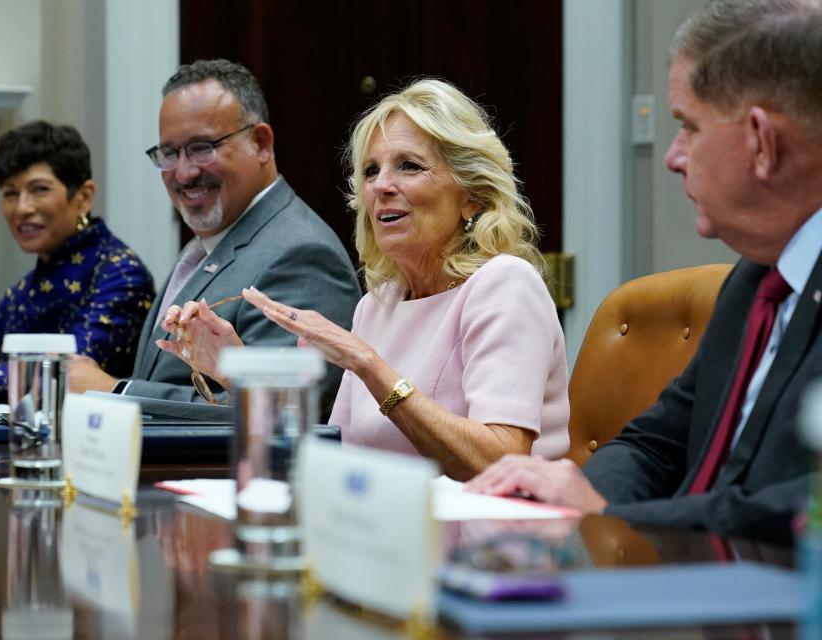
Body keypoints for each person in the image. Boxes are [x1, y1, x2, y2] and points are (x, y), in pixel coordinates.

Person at [468, 0, 822, 543]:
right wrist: (574, 493)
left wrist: (614, 517)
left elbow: (803, 507)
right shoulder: (754, 284)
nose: (673, 156)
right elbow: (652, 444)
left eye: (688, 126)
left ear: (761, 142)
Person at [160, 78, 570, 480]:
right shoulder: (377, 305)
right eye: (371, 172)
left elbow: (499, 461)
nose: (381, 187)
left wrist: (367, 364)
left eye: (409, 166)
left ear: (472, 195)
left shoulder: (505, 285)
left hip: (494, 540)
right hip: (387, 534)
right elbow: (332, 454)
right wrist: (243, 376)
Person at [68, 59, 361, 411]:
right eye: (169, 153)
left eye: (201, 148)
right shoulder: (210, 242)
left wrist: (117, 392)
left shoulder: (302, 253)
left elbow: (282, 412)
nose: (184, 172)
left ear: (261, 142)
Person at [0, 121, 155, 404]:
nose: (22, 208)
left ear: (84, 197)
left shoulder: (121, 274)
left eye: (39, 189)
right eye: (10, 193)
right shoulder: (31, 285)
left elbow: (63, 375)